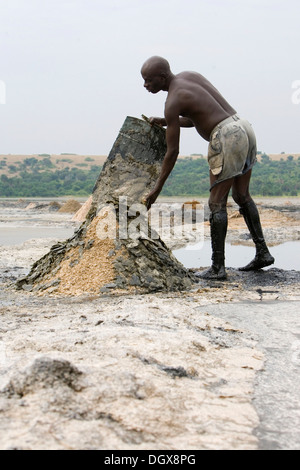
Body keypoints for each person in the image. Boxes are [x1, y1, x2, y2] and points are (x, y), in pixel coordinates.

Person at [141, 56, 274, 280]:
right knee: (241, 195)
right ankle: (263, 252)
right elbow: (199, 116)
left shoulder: (172, 101)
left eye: (148, 80)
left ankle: (217, 267)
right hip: (243, 127)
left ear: (162, 77)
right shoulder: (190, 76)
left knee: (216, 203)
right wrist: (166, 121)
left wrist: (156, 189)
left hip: (226, 137)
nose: (145, 85)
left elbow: (172, 151)